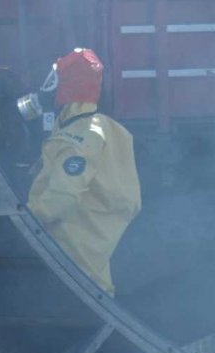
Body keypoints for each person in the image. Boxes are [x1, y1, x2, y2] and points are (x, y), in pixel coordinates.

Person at [27, 48, 141, 296]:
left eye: (53, 80)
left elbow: (64, 194)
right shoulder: (103, 127)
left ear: (67, 86)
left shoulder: (76, 137)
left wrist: (28, 220)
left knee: (80, 294)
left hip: (73, 241)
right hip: (93, 234)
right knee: (98, 288)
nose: (47, 87)